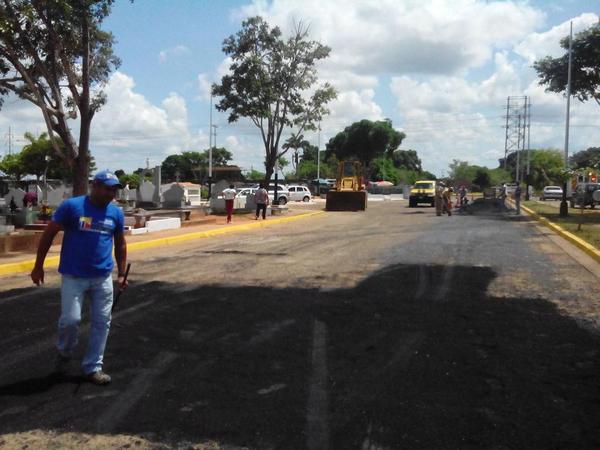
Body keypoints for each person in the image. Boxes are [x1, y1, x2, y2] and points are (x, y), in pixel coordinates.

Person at [30, 170, 128, 386]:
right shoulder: (72, 207)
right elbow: (49, 234)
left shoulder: (116, 213)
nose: (111, 193)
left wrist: (121, 273)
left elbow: (120, 243)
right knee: (70, 320)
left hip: (102, 277)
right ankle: (64, 353)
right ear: (95, 185)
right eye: (107, 188)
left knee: (102, 323)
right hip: (74, 276)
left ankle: (93, 367)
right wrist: (38, 266)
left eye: (114, 189)